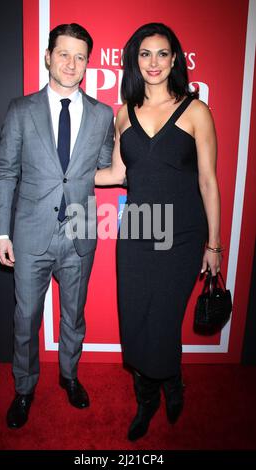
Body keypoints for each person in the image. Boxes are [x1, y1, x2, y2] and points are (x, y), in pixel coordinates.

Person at [95, 22, 222, 441]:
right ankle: (150, 394)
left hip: (183, 236)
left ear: (174, 60)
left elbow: (208, 180)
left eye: (162, 53)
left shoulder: (196, 111)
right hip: (136, 234)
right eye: (145, 54)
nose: (153, 62)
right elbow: (117, 173)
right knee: (134, 320)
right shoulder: (122, 114)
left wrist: (214, 245)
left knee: (164, 320)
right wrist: (64, 176)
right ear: (134, 60)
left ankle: (165, 385)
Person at [0, 23, 114, 429]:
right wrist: (1, 232)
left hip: (79, 234)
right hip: (29, 237)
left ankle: (69, 376)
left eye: (80, 56)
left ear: (87, 64)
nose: (71, 64)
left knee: (73, 316)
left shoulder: (102, 115)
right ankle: (24, 389)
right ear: (48, 56)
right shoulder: (21, 110)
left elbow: (106, 168)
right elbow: (6, 172)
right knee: (26, 318)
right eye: (63, 54)